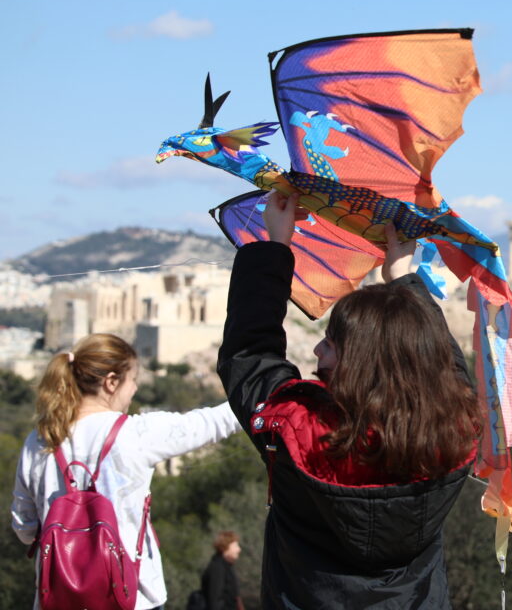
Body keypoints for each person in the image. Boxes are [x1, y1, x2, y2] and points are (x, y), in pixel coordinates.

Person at [218, 190, 481, 609]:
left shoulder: (299, 434)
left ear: (360, 362)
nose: (317, 353)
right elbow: (445, 371)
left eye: (331, 344)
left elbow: (248, 355)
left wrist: (275, 247)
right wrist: (404, 281)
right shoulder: (451, 433)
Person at [10, 333, 240, 609]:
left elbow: (24, 528)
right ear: (111, 382)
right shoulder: (134, 434)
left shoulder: (40, 440)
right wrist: (267, 391)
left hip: (60, 597)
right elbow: (211, 422)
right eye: (132, 381)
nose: (134, 390)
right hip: (132, 597)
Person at [201, 530, 243, 610]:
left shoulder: (226, 567)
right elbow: (215, 602)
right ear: (225, 546)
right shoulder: (217, 568)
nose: (239, 549)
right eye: (236, 546)